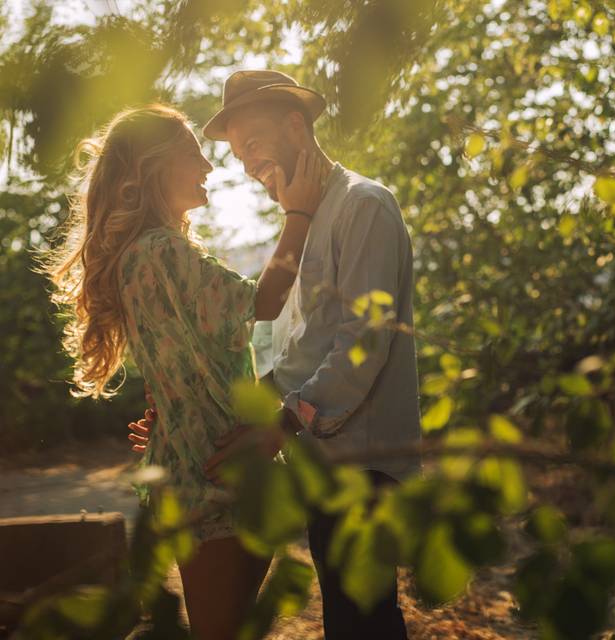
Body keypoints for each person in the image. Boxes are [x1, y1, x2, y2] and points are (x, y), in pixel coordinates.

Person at [128, 70, 422, 639]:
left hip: (365, 463)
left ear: (296, 125)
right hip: (320, 460)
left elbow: (363, 344)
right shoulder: (303, 217)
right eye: (238, 154)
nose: (245, 164)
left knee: (364, 623)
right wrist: (193, 414)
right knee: (347, 622)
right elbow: (292, 353)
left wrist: (283, 422)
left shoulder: (363, 206)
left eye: (254, 145)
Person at [45, 104, 327, 640]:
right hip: (215, 475)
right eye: (194, 153)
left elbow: (184, 362)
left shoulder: (145, 253)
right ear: (156, 166)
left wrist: (172, 414)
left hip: (207, 466)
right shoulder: (159, 251)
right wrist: (300, 214)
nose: (209, 166)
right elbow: (263, 305)